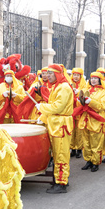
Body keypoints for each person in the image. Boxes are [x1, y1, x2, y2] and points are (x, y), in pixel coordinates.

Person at [36, 65, 74, 193]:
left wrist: (41, 107)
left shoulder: (63, 87)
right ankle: (61, 179)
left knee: (61, 155)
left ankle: (61, 183)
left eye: (51, 73)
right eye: (47, 73)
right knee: (57, 154)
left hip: (61, 125)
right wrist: (42, 117)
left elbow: (57, 107)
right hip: (56, 124)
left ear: (57, 74)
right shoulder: (57, 87)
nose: (48, 76)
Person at [76, 71, 105, 172]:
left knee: (96, 142)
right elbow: (79, 105)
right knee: (86, 142)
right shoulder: (86, 90)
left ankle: (95, 162)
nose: (93, 80)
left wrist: (91, 102)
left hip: (96, 120)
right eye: (92, 78)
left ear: (100, 80)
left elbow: (101, 106)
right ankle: (88, 160)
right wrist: (79, 101)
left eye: (96, 78)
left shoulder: (104, 92)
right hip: (85, 120)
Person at [68, 68, 88, 158]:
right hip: (71, 110)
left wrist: (79, 92)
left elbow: (86, 94)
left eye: (77, 75)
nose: (75, 77)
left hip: (80, 111)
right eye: (74, 75)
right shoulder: (69, 83)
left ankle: (79, 149)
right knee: (71, 130)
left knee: (79, 131)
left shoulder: (84, 85)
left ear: (81, 76)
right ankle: (72, 148)